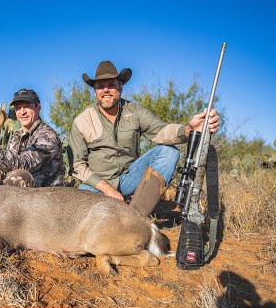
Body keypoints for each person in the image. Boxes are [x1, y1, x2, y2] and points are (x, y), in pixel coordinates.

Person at [68, 60, 220, 216]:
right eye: (100, 86)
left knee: (169, 152)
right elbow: (77, 166)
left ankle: (136, 217)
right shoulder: (82, 121)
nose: (106, 90)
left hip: (129, 178)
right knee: (82, 203)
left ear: (120, 86)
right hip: (98, 185)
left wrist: (189, 129)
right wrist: (107, 189)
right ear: (94, 91)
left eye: (111, 84)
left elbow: (160, 131)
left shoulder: (134, 111)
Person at [0, 88, 65, 187]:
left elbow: (24, 165)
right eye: (18, 108)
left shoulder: (48, 136)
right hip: (19, 192)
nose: (22, 112)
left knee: (20, 176)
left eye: (27, 106)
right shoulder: (16, 136)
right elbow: (6, 166)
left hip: (46, 194)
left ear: (38, 107)